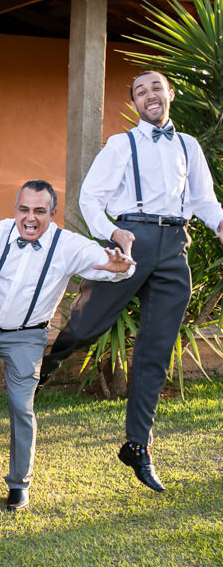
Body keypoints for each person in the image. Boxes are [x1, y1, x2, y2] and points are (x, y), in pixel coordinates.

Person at [40, 71, 223, 491]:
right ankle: (42, 370)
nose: (149, 95)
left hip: (174, 247)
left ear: (170, 93)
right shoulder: (121, 145)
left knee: (155, 351)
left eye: (155, 87)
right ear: (136, 103)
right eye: (140, 91)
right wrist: (113, 233)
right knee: (85, 327)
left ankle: (138, 446)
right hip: (129, 242)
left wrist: (219, 223)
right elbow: (90, 199)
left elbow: (203, 200)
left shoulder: (188, 146)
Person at [0, 180, 134, 512]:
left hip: (26, 336)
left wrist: (120, 268)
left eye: (39, 211)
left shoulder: (68, 246)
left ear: (52, 214)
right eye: (23, 209)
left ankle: (19, 484)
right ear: (15, 210)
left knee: (20, 407)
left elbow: (109, 264)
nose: (30, 218)